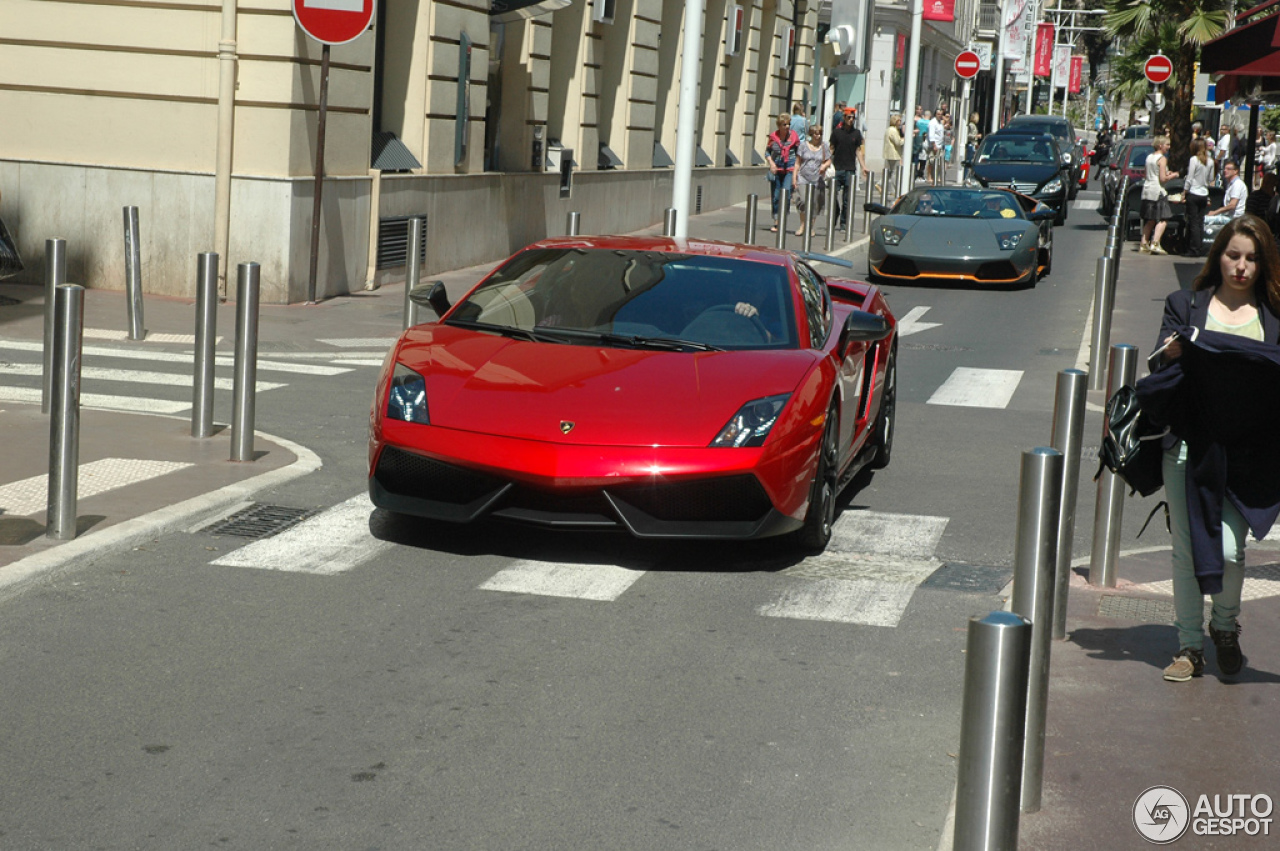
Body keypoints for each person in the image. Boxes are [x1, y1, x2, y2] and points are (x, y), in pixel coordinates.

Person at [1145, 215, 1280, 681]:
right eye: (1233, 255)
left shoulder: (1275, 320)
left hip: (1247, 454)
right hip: (1187, 449)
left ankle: (1224, 626)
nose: (1241, 267)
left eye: (1251, 259)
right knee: (1185, 551)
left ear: (1264, 265)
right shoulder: (1185, 305)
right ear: (1218, 255)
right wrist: (1169, 352)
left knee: (1228, 551)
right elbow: (1155, 370)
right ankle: (1188, 647)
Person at [1140, 136, 1179, 255]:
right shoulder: (1162, 159)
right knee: (1164, 218)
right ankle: (1155, 243)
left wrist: (1165, 173)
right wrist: (1174, 175)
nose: (1169, 147)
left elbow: (1146, 175)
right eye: (1167, 144)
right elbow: (1162, 179)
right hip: (1158, 191)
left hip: (1147, 190)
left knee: (1150, 219)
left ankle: (1143, 243)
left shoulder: (1149, 157)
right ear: (1161, 145)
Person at [829, 110, 867, 229]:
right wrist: (825, 163)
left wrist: (863, 166)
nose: (851, 120)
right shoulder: (836, 132)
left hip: (850, 169)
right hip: (837, 168)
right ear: (844, 118)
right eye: (849, 117)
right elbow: (831, 149)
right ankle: (836, 212)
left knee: (847, 199)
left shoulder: (856, 133)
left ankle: (844, 222)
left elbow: (858, 151)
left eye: (853, 118)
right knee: (832, 195)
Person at [792, 124, 831, 237]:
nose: (817, 136)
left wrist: (824, 166)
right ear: (811, 134)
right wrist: (794, 178)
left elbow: (829, 160)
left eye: (819, 133)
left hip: (817, 179)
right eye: (815, 133)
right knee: (803, 201)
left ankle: (810, 227)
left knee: (814, 204)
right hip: (803, 177)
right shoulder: (803, 146)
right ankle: (803, 224)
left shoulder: (824, 147)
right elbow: (797, 163)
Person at [765, 113, 800, 232]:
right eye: (784, 124)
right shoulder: (773, 137)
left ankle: (782, 219)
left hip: (789, 169)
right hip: (777, 170)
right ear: (779, 125)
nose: (787, 126)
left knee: (786, 193)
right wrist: (771, 163)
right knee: (775, 196)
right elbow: (767, 152)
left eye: (789, 124)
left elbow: (798, 154)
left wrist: (797, 169)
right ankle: (776, 220)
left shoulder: (794, 137)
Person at [1184, 138, 1214, 257]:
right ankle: (1199, 247)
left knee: (1193, 222)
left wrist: (1184, 191)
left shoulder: (1194, 160)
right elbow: (1211, 178)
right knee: (1200, 221)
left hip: (1194, 192)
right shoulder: (1210, 161)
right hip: (1204, 192)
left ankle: (1194, 249)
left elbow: (1190, 177)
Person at [884, 114, 905, 193]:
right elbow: (898, 142)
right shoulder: (892, 130)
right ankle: (893, 190)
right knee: (894, 173)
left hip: (892, 154)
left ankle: (880, 184)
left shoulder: (891, 129)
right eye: (899, 120)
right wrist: (905, 139)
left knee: (891, 172)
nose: (900, 122)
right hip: (893, 154)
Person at [926, 109, 945, 182]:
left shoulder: (940, 123)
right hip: (933, 146)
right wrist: (934, 145)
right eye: (938, 114)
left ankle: (936, 176)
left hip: (940, 145)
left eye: (941, 114)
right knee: (931, 161)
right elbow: (931, 135)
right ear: (935, 114)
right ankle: (929, 177)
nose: (940, 115)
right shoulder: (932, 123)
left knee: (939, 162)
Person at [964, 112, 981, 182]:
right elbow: (968, 135)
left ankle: (968, 176)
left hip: (974, 144)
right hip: (971, 144)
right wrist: (976, 136)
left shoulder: (973, 125)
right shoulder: (971, 125)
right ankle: (965, 177)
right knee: (969, 161)